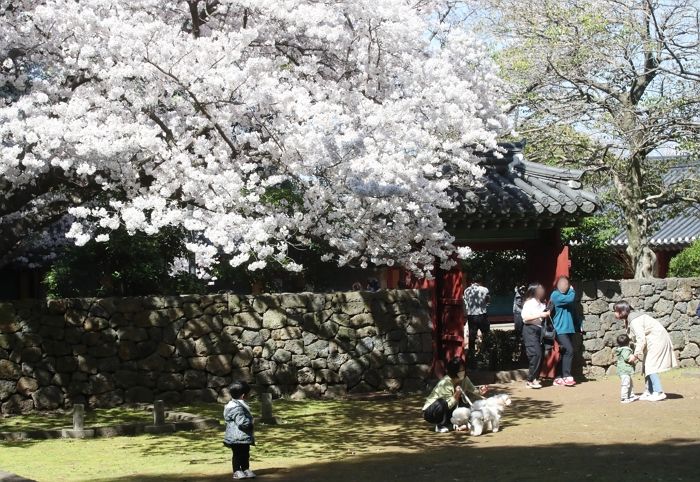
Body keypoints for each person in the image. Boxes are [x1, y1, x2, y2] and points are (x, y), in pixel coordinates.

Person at [613, 301, 678, 402]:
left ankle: (659, 392)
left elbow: (641, 339)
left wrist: (635, 355)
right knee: (646, 365)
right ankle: (649, 391)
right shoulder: (630, 319)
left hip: (657, 339)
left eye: (616, 311)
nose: (614, 313)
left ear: (622, 311)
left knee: (650, 365)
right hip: (651, 341)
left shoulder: (634, 320)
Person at [550, 276, 579, 387]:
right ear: (557, 285)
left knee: (563, 353)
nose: (564, 286)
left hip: (569, 329)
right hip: (560, 329)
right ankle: (567, 376)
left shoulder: (567, 295)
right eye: (562, 284)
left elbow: (574, 312)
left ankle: (558, 377)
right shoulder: (555, 295)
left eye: (566, 284)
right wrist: (572, 290)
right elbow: (570, 299)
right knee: (569, 350)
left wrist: (578, 326)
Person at [224, 381, 256, 479]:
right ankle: (237, 471)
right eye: (248, 394)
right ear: (243, 395)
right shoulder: (235, 407)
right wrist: (249, 424)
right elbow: (241, 421)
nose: (250, 395)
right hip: (236, 437)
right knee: (237, 454)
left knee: (245, 453)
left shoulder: (239, 404)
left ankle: (245, 469)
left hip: (243, 436)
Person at [422, 358, 464, 432]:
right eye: (460, 370)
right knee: (442, 402)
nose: (462, 372)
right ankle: (440, 425)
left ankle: (453, 423)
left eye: (463, 370)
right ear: (454, 371)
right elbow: (449, 404)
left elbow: (473, 390)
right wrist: (456, 394)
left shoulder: (464, 379)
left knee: (463, 402)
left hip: (445, 408)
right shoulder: (446, 382)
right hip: (431, 412)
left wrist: (480, 391)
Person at [520, 283, 550, 389]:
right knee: (535, 354)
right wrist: (540, 315)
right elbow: (525, 318)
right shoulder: (529, 303)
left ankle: (535, 378)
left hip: (539, 330)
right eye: (539, 289)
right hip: (530, 329)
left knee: (540, 354)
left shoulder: (542, 304)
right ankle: (530, 380)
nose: (541, 291)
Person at [463, 278, 491, 366]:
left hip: (471, 316)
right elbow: (488, 301)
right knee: (486, 335)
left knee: (472, 337)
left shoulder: (466, 290)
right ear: (480, 281)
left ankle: (472, 358)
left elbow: (466, 302)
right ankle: (486, 355)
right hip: (482, 314)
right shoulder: (485, 289)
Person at [615, 334, 639, 404]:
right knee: (625, 384)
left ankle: (631, 395)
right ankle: (624, 398)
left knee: (630, 383)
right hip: (624, 370)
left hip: (624, 370)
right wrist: (633, 356)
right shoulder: (626, 350)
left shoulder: (621, 349)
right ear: (628, 342)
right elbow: (627, 358)